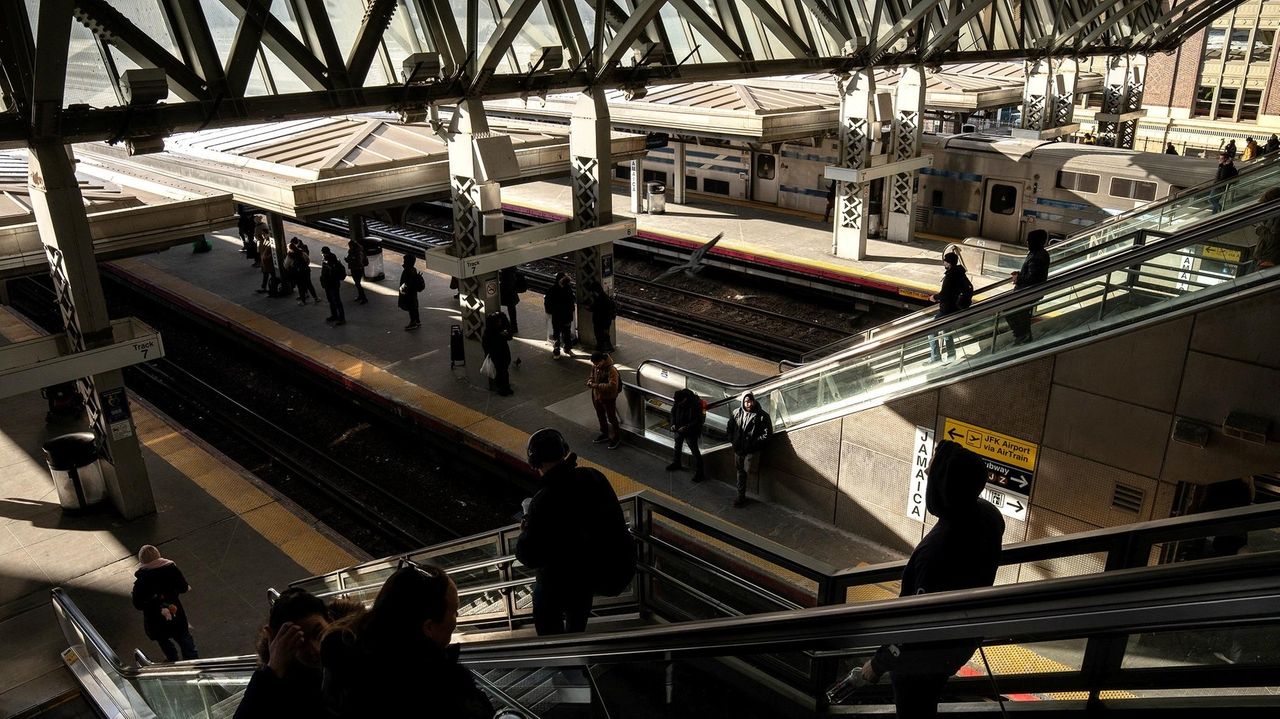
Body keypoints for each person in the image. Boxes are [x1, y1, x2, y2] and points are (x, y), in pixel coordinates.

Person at [854, 440, 1004, 718]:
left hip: (922, 660)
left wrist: (878, 664)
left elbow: (914, 625)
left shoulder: (936, 552)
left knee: (914, 709)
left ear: (945, 487)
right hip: (960, 642)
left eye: (931, 473)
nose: (925, 477)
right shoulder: (989, 517)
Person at [321, 564, 493, 719]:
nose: (457, 618)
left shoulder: (343, 655)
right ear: (429, 627)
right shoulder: (439, 692)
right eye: (454, 611)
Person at [515, 428, 631, 635]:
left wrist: (525, 531)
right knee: (577, 625)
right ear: (564, 451)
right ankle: (575, 653)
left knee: (548, 629)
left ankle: (562, 661)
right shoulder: (594, 477)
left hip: (556, 582)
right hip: (589, 576)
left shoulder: (543, 500)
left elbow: (528, 556)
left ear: (535, 463)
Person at [233, 588, 332, 719]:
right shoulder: (285, 689)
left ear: (331, 622)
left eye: (318, 634)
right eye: (299, 642)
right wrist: (273, 670)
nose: (315, 649)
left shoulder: (357, 648)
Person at [131, 545, 199, 662]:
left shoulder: (141, 580)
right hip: (175, 613)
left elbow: (138, 604)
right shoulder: (171, 570)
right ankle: (192, 661)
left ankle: (172, 658)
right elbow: (183, 588)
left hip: (155, 619)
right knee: (184, 638)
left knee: (163, 640)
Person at [726, 392, 771, 508]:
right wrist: (733, 440)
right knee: (740, 472)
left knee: (747, 470)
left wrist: (754, 444)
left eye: (750, 401)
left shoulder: (762, 416)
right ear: (743, 402)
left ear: (754, 401)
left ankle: (742, 495)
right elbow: (729, 427)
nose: (748, 404)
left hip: (751, 450)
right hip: (738, 449)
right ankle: (741, 496)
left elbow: (766, 434)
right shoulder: (736, 413)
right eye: (746, 401)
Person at [1007, 230, 1050, 344]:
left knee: (1010, 309)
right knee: (1020, 312)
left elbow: (1032, 278)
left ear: (1035, 242)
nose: (1027, 242)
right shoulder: (1038, 253)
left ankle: (1022, 335)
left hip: (1028, 292)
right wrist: (1019, 274)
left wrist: (1018, 278)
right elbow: (1031, 274)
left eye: (1029, 240)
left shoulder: (1037, 256)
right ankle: (1023, 335)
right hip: (1029, 291)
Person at [928, 252, 969, 363]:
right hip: (956, 307)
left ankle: (935, 357)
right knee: (947, 331)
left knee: (931, 330)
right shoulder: (960, 273)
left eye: (945, 261)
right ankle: (951, 355)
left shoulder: (950, 276)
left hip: (948, 309)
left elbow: (944, 294)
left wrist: (934, 297)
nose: (943, 262)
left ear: (949, 263)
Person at [667, 388, 706, 482]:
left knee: (695, 451)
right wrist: (673, 424)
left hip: (691, 431)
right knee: (677, 445)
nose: (678, 404)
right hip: (679, 428)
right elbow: (673, 412)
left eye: (680, 402)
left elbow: (698, 420)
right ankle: (676, 463)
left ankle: (700, 472)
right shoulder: (678, 400)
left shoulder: (695, 404)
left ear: (684, 399)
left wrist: (686, 427)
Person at [587, 352, 621, 449]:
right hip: (597, 396)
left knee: (611, 417)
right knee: (600, 415)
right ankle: (604, 433)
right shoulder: (595, 367)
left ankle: (616, 437)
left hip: (608, 398)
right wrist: (590, 381)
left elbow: (613, 386)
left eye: (597, 363)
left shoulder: (611, 370)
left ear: (602, 360)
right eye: (594, 364)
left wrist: (596, 386)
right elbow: (592, 376)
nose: (596, 366)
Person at [544, 272, 576, 358]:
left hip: (566, 316)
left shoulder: (567, 288)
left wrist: (571, 311)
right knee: (557, 335)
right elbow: (548, 303)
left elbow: (571, 301)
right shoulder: (552, 290)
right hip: (557, 316)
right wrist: (552, 311)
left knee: (567, 334)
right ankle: (557, 351)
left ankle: (567, 349)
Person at [482, 312, 514, 396]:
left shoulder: (489, 332)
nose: (499, 323)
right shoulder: (492, 333)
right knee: (502, 370)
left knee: (502, 370)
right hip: (498, 352)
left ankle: (503, 386)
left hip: (499, 352)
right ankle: (504, 387)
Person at [1254, 187, 1280, 271]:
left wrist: (1260, 229)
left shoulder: (1277, 217)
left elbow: (1274, 239)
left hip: (1268, 261)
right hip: (1264, 259)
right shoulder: (1274, 214)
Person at [319, 247, 346, 326]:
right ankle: (334, 315)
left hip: (333, 284)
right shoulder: (325, 260)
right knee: (331, 300)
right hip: (327, 284)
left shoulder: (334, 261)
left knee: (337, 301)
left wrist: (329, 267)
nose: (322, 255)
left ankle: (341, 318)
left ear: (325, 253)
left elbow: (334, 273)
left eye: (323, 253)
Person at [289, 238, 320, 305]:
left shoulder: (290, 255)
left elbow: (286, 265)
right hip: (306, 271)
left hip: (297, 273)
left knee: (300, 286)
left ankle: (303, 301)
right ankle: (315, 298)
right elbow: (308, 260)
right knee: (309, 284)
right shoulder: (302, 252)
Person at [589, 282, 617, 352]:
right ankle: (606, 350)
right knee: (605, 337)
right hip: (605, 322)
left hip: (600, 322)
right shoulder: (604, 297)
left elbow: (595, 308)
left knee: (600, 337)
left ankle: (604, 351)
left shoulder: (600, 299)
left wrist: (591, 307)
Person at [398, 255, 424, 330]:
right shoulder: (413, 269)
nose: (403, 262)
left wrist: (403, 290)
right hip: (413, 293)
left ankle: (413, 322)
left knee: (411, 307)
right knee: (414, 307)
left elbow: (406, 283)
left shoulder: (408, 271)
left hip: (409, 293)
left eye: (405, 260)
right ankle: (417, 321)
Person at [499, 266, 523, 333]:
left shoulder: (505, 272)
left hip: (505, 292)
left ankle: (503, 324)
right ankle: (514, 326)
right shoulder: (513, 270)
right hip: (511, 293)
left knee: (497, 305)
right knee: (512, 309)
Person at [344, 240, 368, 305]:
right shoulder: (354, 251)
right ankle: (361, 296)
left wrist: (349, 260)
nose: (349, 247)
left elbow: (359, 263)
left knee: (358, 284)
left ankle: (364, 298)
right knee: (357, 284)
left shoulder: (357, 252)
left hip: (357, 269)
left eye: (350, 246)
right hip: (355, 269)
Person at [256, 229, 276, 294]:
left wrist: (266, 257)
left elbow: (271, 252)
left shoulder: (270, 241)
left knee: (272, 276)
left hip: (269, 263)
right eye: (262, 234)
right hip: (265, 262)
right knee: (266, 275)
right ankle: (264, 287)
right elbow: (259, 251)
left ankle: (272, 289)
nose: (263, 235)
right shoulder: (263, 241)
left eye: (264, 234)